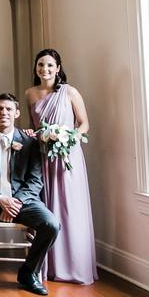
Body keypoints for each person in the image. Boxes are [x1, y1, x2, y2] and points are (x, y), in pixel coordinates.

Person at [0, 93, 60, 296]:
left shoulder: (30, 143)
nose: (3, 113)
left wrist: (15, 202)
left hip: (22, 201)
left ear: (16, 113)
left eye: (8, 109)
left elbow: (35, 181)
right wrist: (1, 199)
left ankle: (28, 272)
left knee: (51, 224)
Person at [25, 49, 96, 284]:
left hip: (68, 157)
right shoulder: (30, 94)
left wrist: (68, 139)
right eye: (40, 65)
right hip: (42, 156)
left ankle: (74, 265)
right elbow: (35, 129)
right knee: (47, 205)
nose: (44, 69)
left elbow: (84, 124)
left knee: (69, 207)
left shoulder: (70, 92)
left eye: (49, 65)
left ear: (58, 68)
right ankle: (48, 266)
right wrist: (35, 135)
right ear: (36, 68)